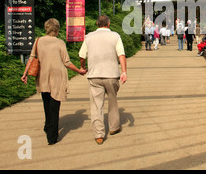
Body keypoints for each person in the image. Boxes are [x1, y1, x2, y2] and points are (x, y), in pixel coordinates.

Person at [21, 18, 87, 145]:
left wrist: (25, 73)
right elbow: (66, 62)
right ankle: (52, 136)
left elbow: (32, 58)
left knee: (46, 103)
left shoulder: (38, 41)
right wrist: (79, 71)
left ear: (46, 28)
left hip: (43, 77)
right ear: (57, 30)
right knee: (54, 106)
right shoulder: (60, 43)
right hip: (57, 77)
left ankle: (48, 126)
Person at [79, 15, 127, 145]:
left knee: (96, 106)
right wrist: (124, 72)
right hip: (111, 74)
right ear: (109, 24)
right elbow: (121, 54)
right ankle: (113, 127)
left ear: (97, 23)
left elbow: (82, 55)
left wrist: (83, 67)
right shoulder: (115, 36)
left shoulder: (88, 37)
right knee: (112, 101)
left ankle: (99, 134)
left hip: (94, 76)